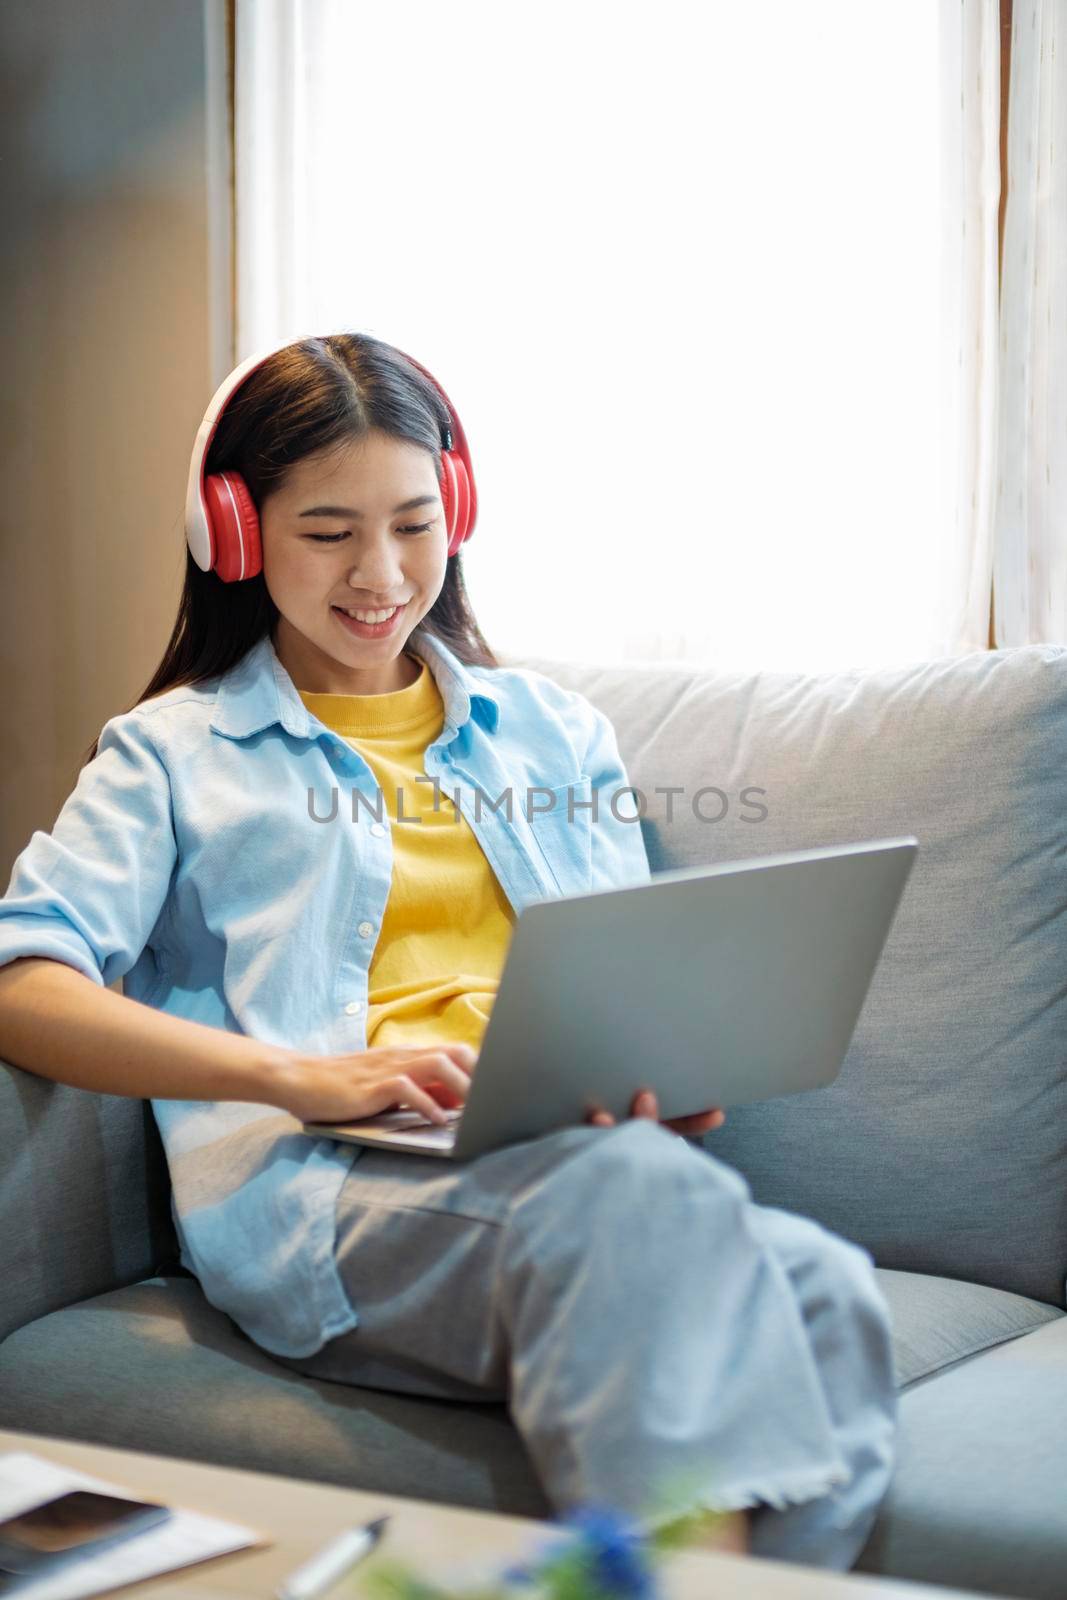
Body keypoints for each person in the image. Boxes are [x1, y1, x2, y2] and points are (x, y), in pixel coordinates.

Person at [0, 332, 897, 1570]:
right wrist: (300, 1077)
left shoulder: (550, 732)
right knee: (637, 1199)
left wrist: (651, 1073)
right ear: (236, 530)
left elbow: (619, 971)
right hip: (326, 1186)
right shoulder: (171, 755)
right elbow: (22, 985)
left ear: (457, 512)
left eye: (415, 524)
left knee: (825, 1290)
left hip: (564, 1166)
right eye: (326, 532)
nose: (381, 573)